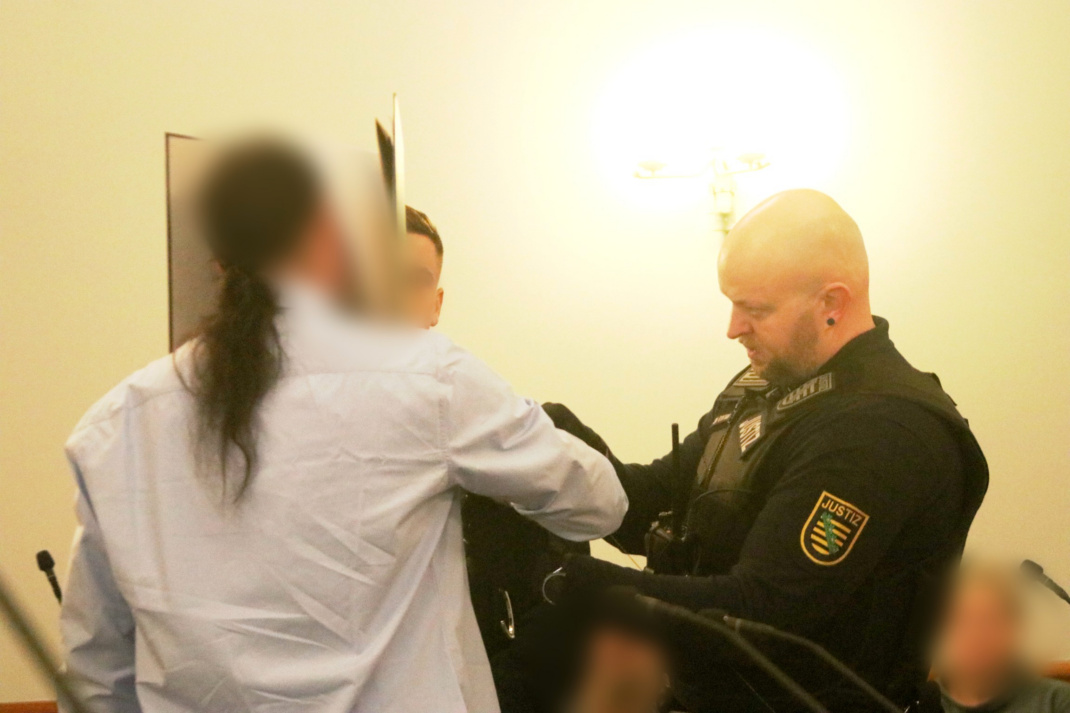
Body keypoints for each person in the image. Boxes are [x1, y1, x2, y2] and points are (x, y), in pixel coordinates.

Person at [59, 138, 627, 713]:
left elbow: (98, 671)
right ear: (333, 238)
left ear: (216, 258)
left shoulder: (114, 426)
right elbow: (601, 504)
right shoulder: (432, 378)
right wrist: (509, 440)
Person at [549, 189, 990, 711]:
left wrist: (590, 587)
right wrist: (550, 442)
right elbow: (645, 505)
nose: (733, 328)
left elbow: (763, 613)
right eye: (732, 304)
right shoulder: (765, 389)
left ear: (831, 304)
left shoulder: (880, 428)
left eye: (754, 308)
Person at [398, 205, 597, 711]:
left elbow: (556, 611)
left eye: (413, 280)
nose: (395, 298)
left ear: (436, 304)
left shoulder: (510, 448)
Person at [935, 564, 1070, 713]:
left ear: (1014, 627)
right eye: (959, 620)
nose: (975, 635)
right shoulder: (920, 701)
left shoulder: (1058, 702)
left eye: (990, 620)